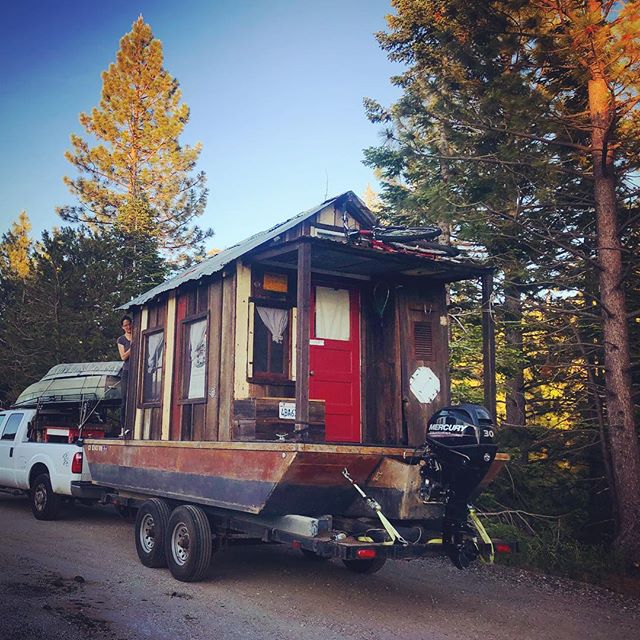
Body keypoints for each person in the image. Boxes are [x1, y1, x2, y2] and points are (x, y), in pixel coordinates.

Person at [117, 315, 133, 435]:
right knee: (125, 398)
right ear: (123, 327)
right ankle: (122, 428)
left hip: (137, 369)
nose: (128, 327)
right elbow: (123, 357)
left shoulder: (137, 335)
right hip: (126, 370)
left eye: (129, 324)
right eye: (125, 325)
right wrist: (133, 347)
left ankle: (132, 426)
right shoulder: (121, 340)